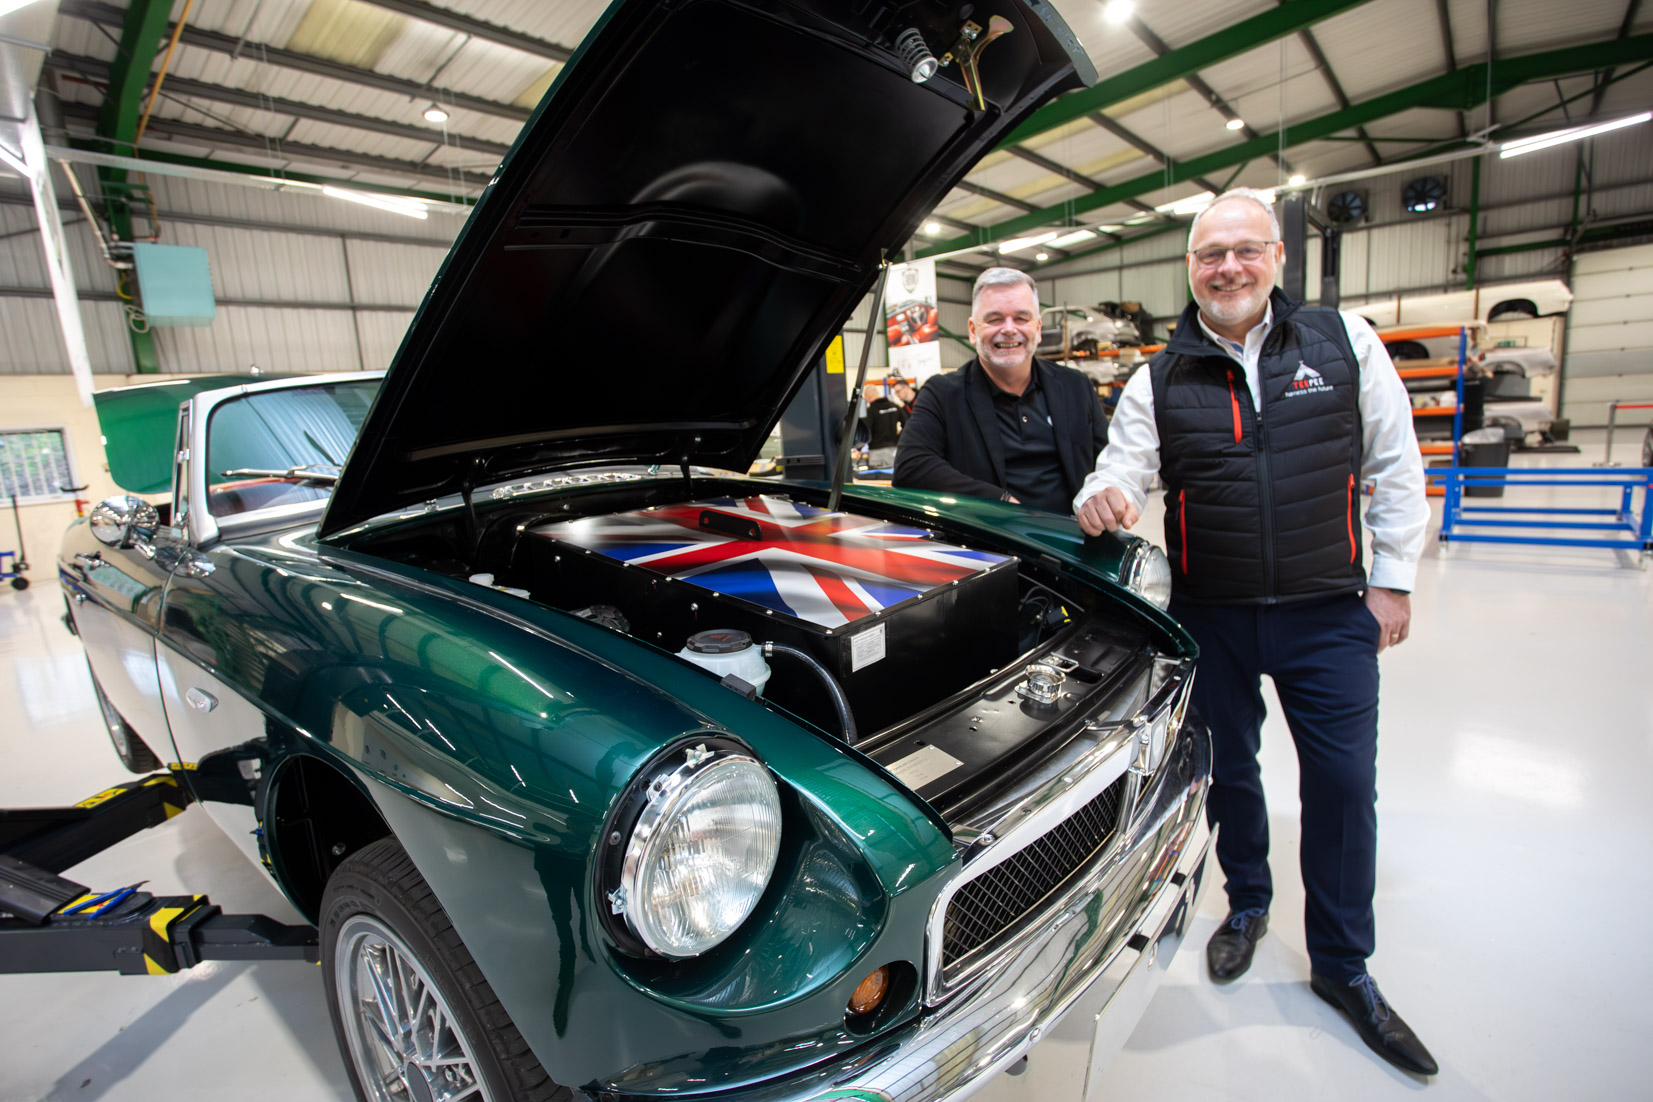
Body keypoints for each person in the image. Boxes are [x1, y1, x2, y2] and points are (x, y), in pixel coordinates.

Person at [1073, 188, 1436, 1077]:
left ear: (1275, 257)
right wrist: (1099, 496)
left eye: (1244, 250)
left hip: (1327, 613)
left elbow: (1396, 462)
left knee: (1342, 787)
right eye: (1209, 254)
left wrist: (1392, 580)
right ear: (1189, 268)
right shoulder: (1158, 377)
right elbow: (1120, 469)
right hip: (1214, 616)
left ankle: (1343, 965)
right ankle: (1246, 905)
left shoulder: (1343, 344)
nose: (1227, 267)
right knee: (1229, 772)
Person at [894, 268, 1107, 512]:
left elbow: (1109, 461)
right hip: (990, 535)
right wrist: (1000, 501)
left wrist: (1107, 495)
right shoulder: (943, 394)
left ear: (1037, 328)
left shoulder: (1075, 386)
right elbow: (911, 467)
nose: (1008, 329)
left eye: (1021, 318)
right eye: (994, 319)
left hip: (1072, 533)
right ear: (973, 330)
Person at [862, 381, 908, 469]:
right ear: (878, 393)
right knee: (892, 475)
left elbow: (866, 431)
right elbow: (907, 424)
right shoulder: (894, 406)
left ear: (867, 397)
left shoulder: (870, 411)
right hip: (894, 450)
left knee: (877, 476)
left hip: (876, 452)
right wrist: (898, 438)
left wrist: (859, 448)